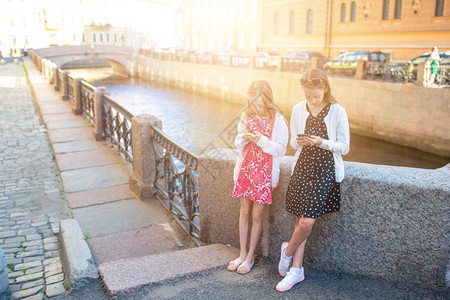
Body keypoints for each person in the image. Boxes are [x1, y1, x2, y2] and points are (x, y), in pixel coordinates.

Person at [276, 68, 350, 292]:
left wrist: (321, 142)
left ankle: (287, 252)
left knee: (307, 222)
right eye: (308, 96)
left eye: (316, 96)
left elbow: (344, 147)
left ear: (325, 88)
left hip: (325, 170)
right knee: (300, 221)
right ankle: (297, 271)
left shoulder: (338, 111)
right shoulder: (298, 108)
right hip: (303, 166)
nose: (311, 100)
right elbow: (293, 143)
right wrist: (301, 141)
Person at [228, 80, 289, 274]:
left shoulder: (277, 119)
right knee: (244, 212)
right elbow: (237, 140)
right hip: (247, 169)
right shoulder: (247, 115)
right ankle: (242, 253)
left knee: (256, 215)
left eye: (261, 104)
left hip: (263, 173)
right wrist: (244, 138)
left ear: (269, 101)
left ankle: (250, 257)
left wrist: (261, 140)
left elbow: (281, 148)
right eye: (254, 103)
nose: (257, 107)